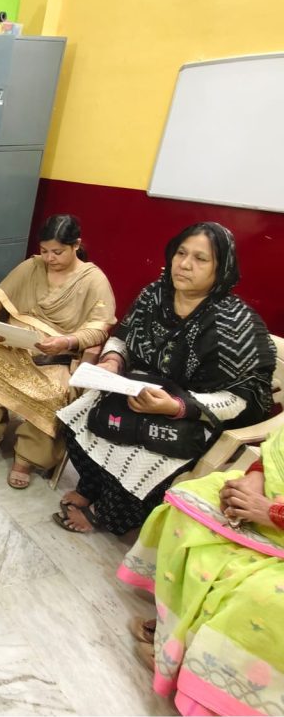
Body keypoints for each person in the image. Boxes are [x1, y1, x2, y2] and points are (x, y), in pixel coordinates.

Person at [55, 222, 276, 535]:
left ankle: (108, 514)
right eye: (181, 253)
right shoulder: (154, 295)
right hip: (139, 389)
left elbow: (243, 399)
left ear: (221, 269)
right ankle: (92, 487)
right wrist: (112, 361)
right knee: (76, 415)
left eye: (201, 259)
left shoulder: (236, 324)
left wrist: (175, 407)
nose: (185, 264)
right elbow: (123, 336)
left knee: (143, 454)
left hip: (194, 414)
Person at [116, 426, 284, 716]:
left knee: (264, 595)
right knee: (188, 501)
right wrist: (254, 478)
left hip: (273, 516)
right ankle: (183, 631)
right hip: (269, 501)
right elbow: (276, 450)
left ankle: (213, 676)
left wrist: (271, 514)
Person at [0, 215, 116, 488]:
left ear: (76, 245)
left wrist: (67, 342)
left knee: (55, 394)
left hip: (55, 355)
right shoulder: (32, 266)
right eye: (44, 250)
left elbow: (100, 328)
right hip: (14, 342)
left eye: (58, 252)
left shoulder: (93, 279)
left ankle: (26, 458)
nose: (49, 258)